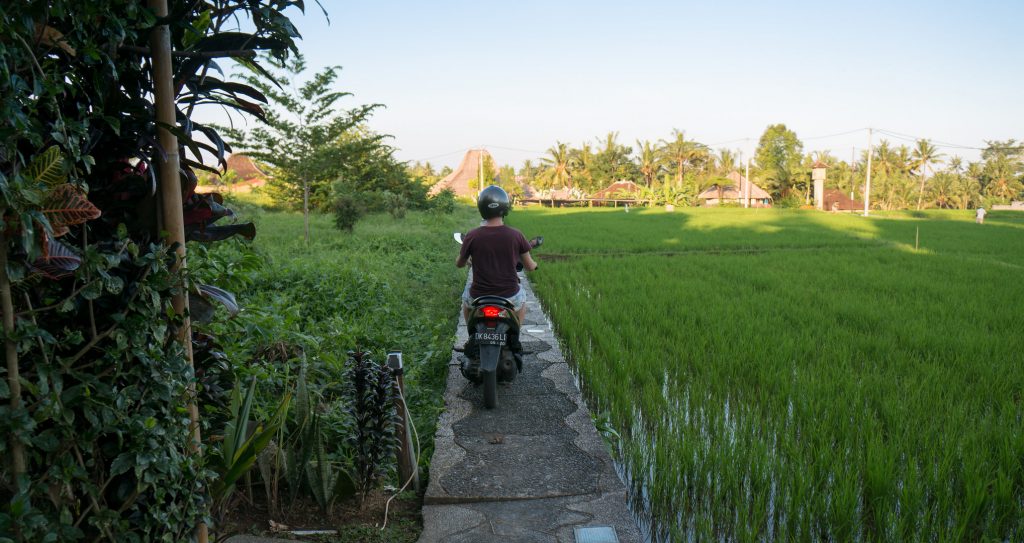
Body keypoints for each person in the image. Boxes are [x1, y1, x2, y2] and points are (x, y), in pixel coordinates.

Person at [456, 186, 538, 326]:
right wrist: (536, 265)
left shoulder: (472, 235)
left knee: (466, 301)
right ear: (504, 208)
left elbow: (459, 263)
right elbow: (530, 266)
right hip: (510, 296)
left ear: (481, 208)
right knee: (523, 301)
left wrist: (466, 260)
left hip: (478, 296)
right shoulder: (516, 235)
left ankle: (470, 336)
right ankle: (515, 338)